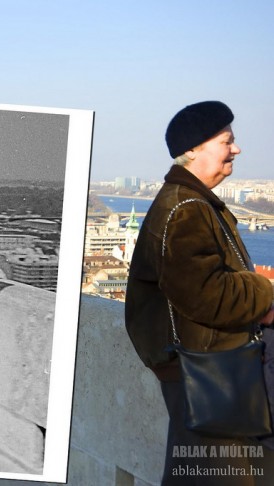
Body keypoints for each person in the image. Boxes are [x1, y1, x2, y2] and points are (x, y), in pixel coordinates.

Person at [125, 101, 274, 485]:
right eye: (227, 141)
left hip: (199, 365)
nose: (236, 149)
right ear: (195, 150)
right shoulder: (187, 207)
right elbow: (207, 294)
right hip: (203, 369)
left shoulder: (187, 201)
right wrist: (265, 291)